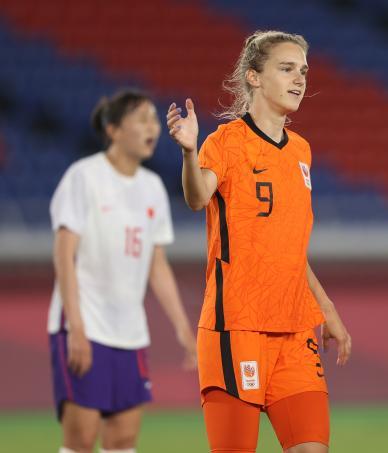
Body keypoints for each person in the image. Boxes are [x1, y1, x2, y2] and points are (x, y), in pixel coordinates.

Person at [166, 30, 352, 453]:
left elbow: (289, 247)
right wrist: (189, 152)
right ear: (253, 77)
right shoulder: (225, 142)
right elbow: (197, 197)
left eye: (303, 70)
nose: (299, 79)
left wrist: (326, 309)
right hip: (237, 326)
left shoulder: (301, 151)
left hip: (295, 329)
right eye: (286, 69)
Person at [48, 90, 197, 453]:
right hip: (86, 325)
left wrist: (183, 328)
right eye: (141, 120)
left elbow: (156, 264)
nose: (152, 128)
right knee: (81, 440)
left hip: (130, 333)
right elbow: (64, 255)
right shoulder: (84, 177)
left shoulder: (152, 187)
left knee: (123, 440)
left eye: (153, 120)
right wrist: (76, 328)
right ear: (113, 130)